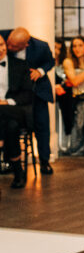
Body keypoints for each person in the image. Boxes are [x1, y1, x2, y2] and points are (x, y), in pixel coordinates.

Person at [1, 26, 54, 174]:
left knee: (41, 124)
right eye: (8, 43)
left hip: (37, 89)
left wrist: (40, 71)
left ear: (26, 45)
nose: (9, 47)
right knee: (9, 123)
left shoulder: (41, 47)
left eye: (14, 46)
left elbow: (50, 61)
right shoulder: (3, 37)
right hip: (14, 92)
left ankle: (44, 160)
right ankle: (9, 161)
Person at [0, 33, 33, 188]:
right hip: (7, 120)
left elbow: (27, 94)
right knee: (11, 126)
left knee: (11, 120)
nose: (0, 49)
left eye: (1, 45)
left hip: (15, 109)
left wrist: (6, 102)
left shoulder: (20, 65)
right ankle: (18, 172)